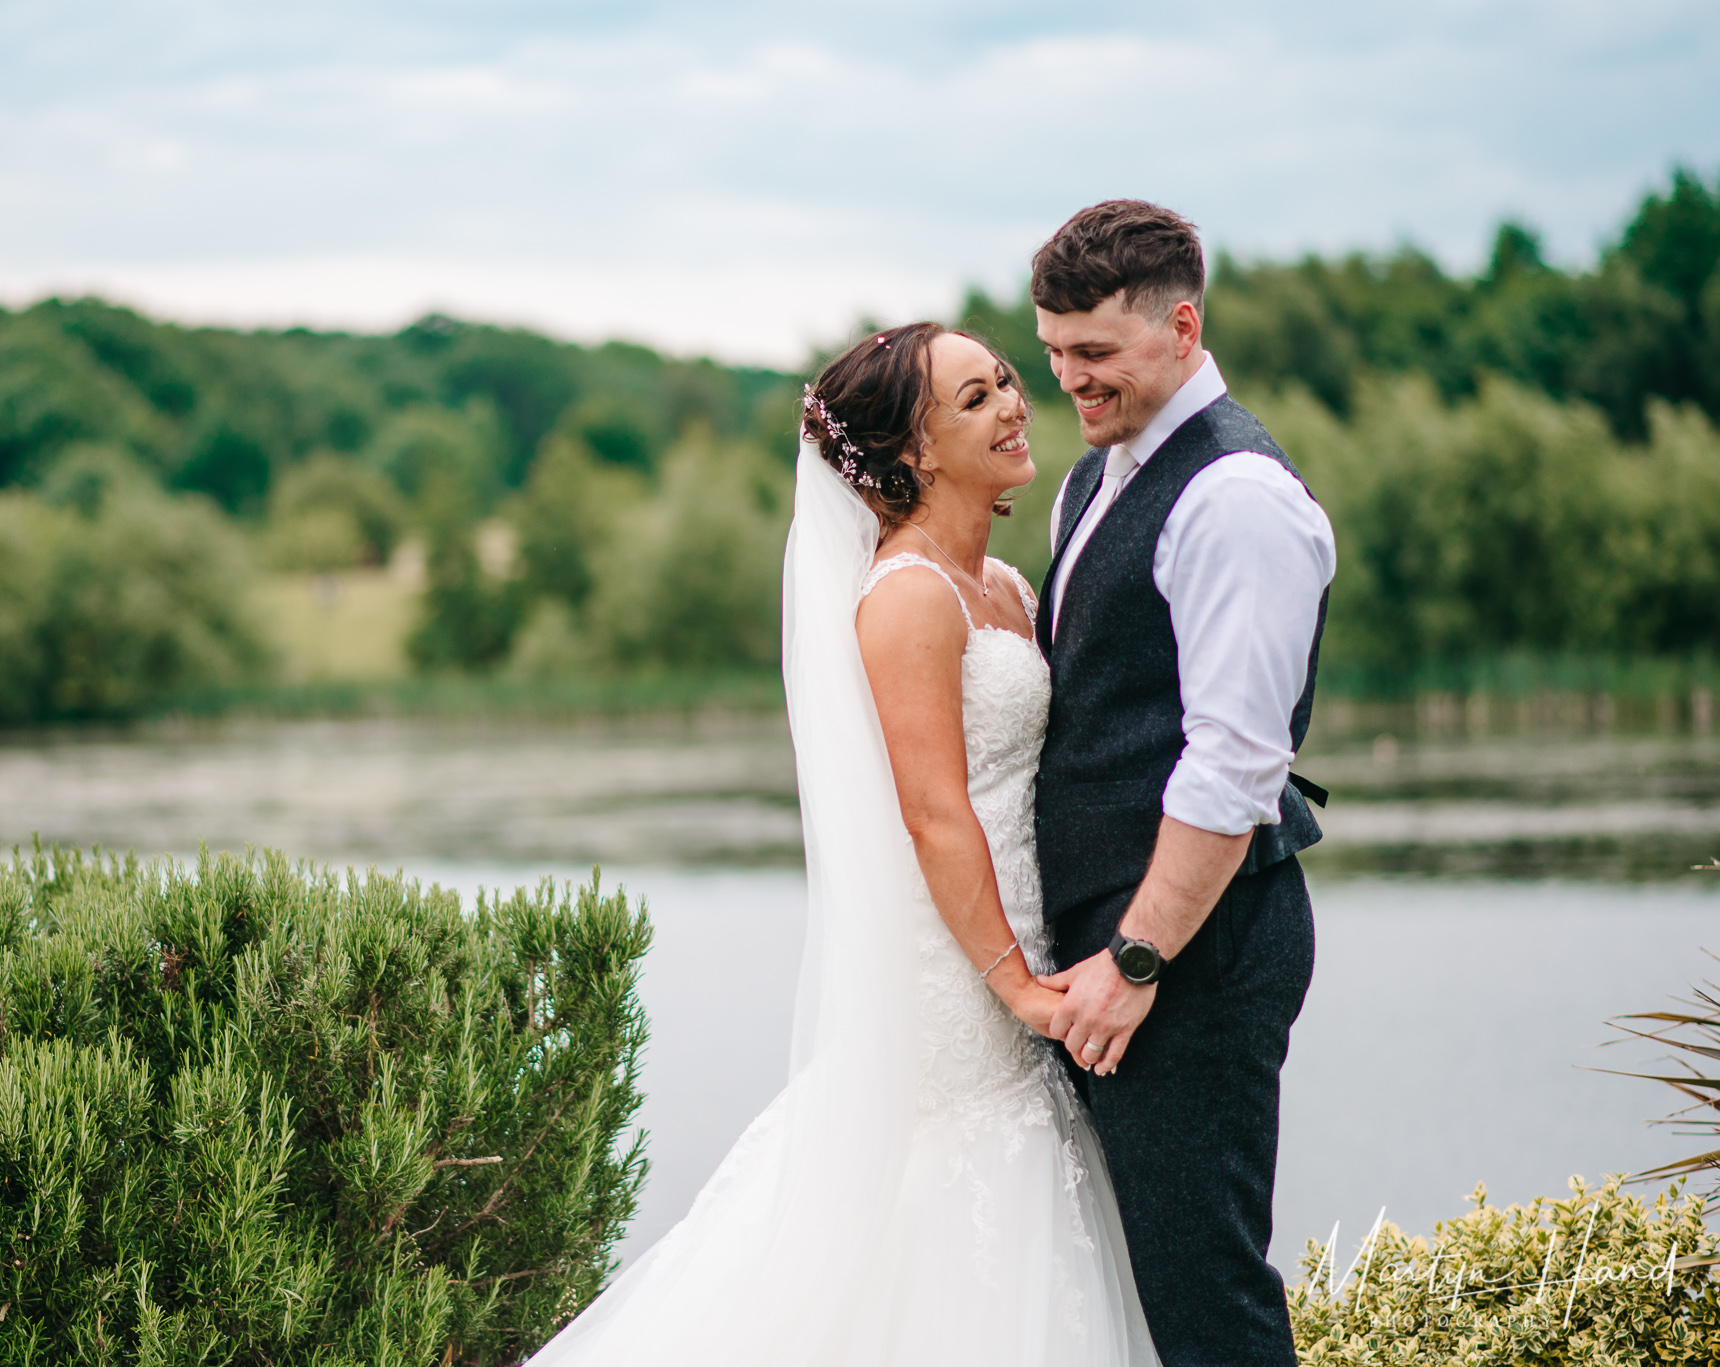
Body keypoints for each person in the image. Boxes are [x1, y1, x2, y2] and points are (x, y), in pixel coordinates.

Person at [523, 322, 1158, 1364]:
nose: (1011, 403)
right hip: (953, 968)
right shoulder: (907, 594)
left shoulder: (1001, 586)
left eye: (1003, 379)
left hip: (1026, 928)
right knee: (945, 1201)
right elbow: (932, 813)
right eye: (973, 398)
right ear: (912, 453)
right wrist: (1017, 985)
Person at [1027, 200, 1337, 1367]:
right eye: (1053, 353)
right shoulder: (1095, 478)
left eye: (1094, 353)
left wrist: (1136, 956)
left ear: (1181, 324)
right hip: (1119, 946)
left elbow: (1231, 765)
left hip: (1189, 952)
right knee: (1139, 1278)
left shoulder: (1233, 499)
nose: (1068, 381)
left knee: (1204, 1293)